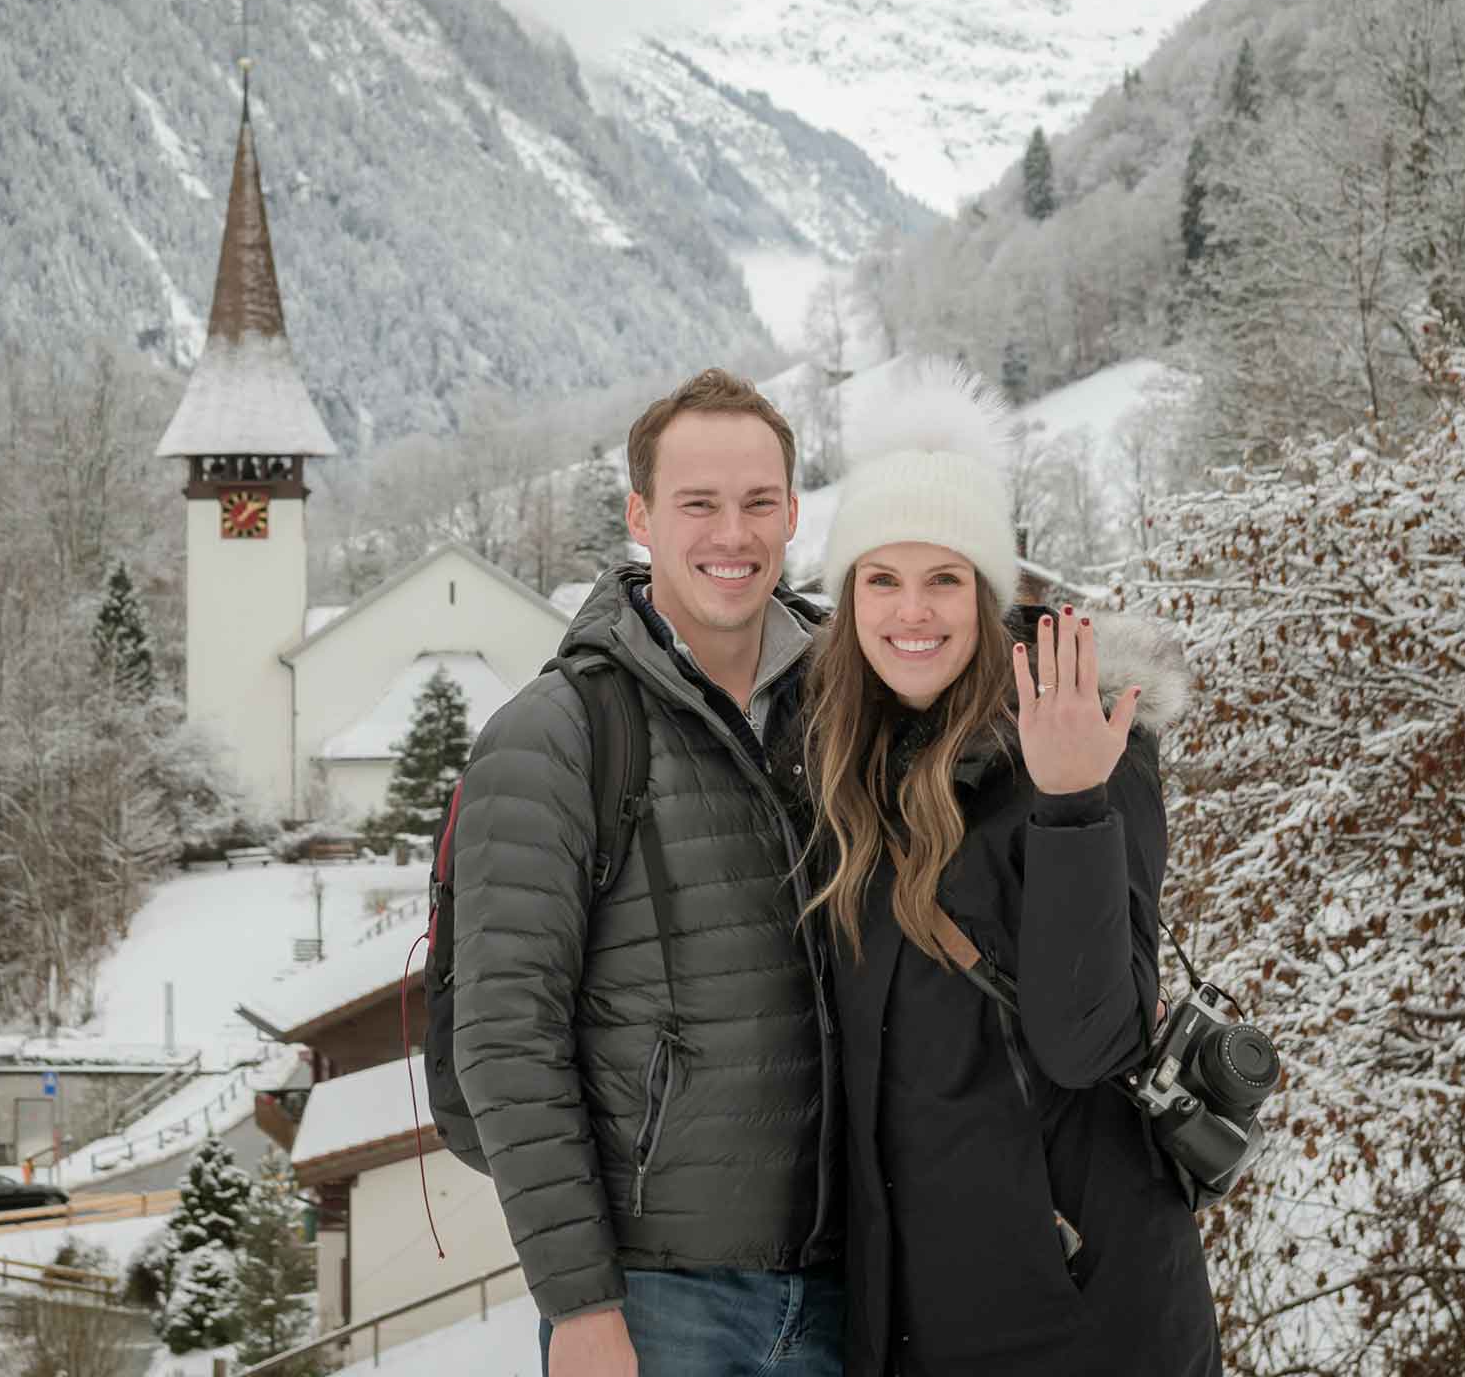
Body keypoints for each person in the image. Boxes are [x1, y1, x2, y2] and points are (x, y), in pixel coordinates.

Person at [801, 367, 1216, 1376]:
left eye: (945, 579)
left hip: (1082, 1309)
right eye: (882, 579)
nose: (913, 612)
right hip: (911, 1315)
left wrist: (1074, 804)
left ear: (990, 593)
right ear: (849, 595)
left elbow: (1091, 1042)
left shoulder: (1082, 736)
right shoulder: (843, 769)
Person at [451, 368, 844, 1377]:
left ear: (793, 513)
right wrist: (579, 1303)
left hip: (853, 1285)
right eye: (698, 505)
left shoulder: (849, 709)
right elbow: (506, 1036)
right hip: (655, 1302)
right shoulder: (557, 736)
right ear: (641, 515)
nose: (733, 535)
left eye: (759, 504)